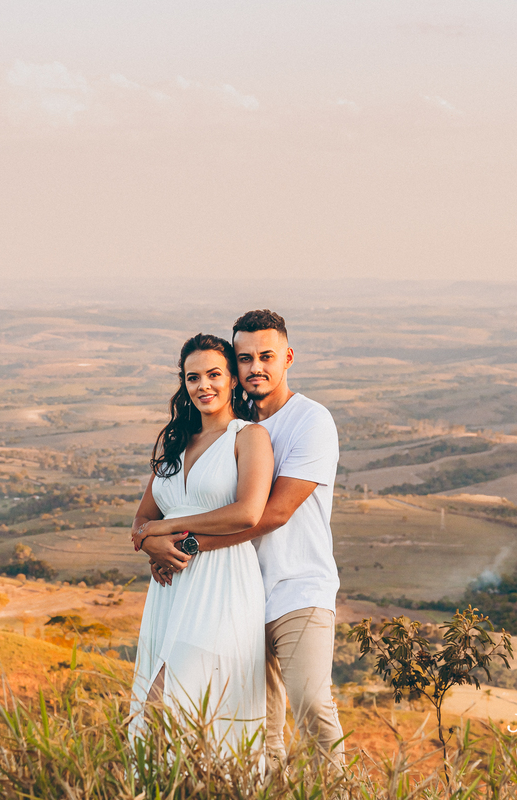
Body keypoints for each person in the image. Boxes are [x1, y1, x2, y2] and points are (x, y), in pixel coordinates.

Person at [141, 310, 345, 766]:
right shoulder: (224, 426)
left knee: (312, 705)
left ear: (287, 357)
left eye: (266, 357)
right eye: (245, 358)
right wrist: (154, 539)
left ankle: (338, 791)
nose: (256, 367)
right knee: (258, 729)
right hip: (239, 594)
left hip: (297, 588)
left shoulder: (310, 421)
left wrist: (180, 544)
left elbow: (272, 513)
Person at [127, 333, 275, 754]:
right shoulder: (177, 444)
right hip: (170, 592)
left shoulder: (248, 437)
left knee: (183, 708)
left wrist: (169, 529)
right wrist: (152, 542)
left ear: (232, 380)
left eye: (214, 374)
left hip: (223, 585)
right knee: (153, 715)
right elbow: (141, 520)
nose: (203, 385)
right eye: (193, 377)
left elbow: (248, 512)